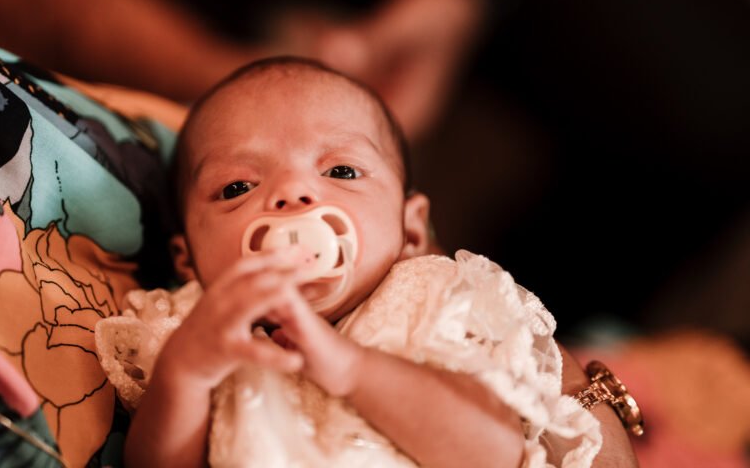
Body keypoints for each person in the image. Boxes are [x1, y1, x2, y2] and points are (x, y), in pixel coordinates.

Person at [95, 56, 637, 467]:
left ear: (411, 227)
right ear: (187, 260)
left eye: (342, 172)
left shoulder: (431, 299)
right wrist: (186, 376)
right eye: (238, 185)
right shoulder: (192, 333)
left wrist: (349, 367)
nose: (293, 194)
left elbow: (493, 453)